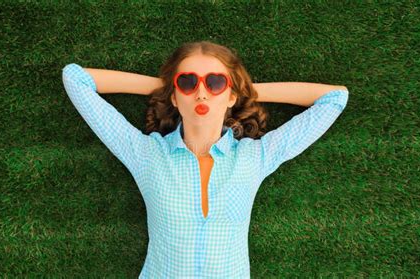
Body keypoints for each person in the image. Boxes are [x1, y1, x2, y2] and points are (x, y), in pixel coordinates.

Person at [62, 40, 349, 278]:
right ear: (175, 96)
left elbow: (335, 98)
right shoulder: (147, 154)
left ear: (231, 95)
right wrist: (164, 87)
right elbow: (75, 78)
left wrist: (244, 91)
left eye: (215, 82)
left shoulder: (254, 157)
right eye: (187, 82)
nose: (201, 93)